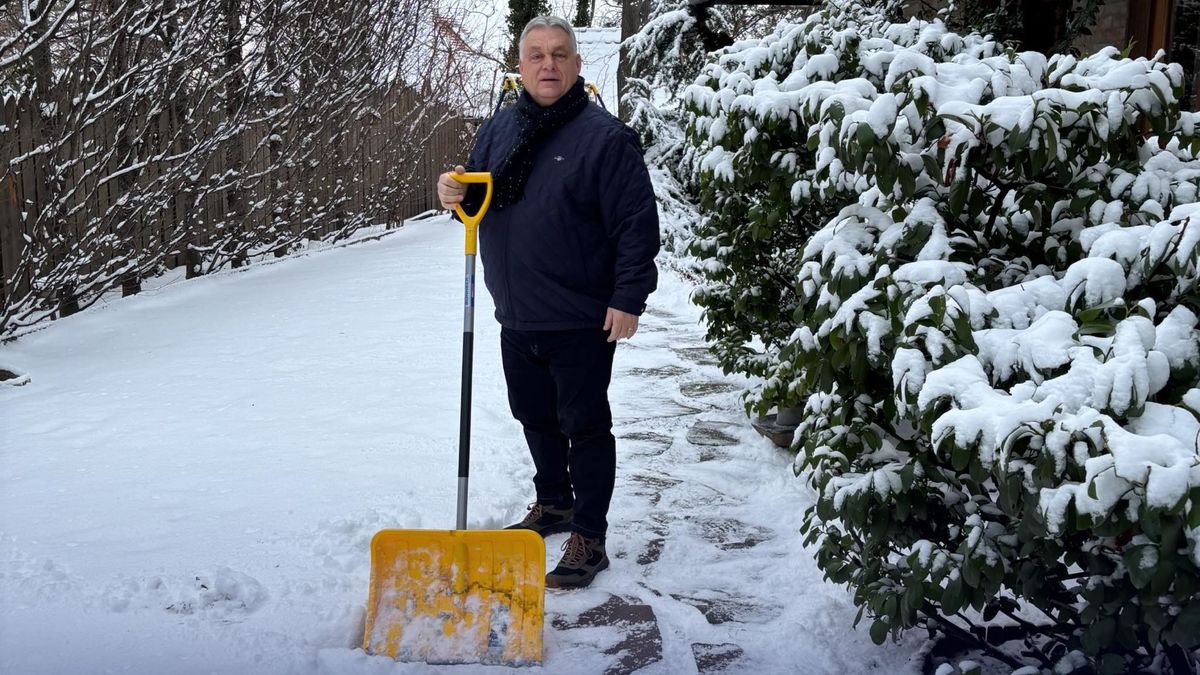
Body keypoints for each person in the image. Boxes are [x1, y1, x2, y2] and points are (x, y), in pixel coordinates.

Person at [435, 15, 659, 589]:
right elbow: (478, 198)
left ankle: (590, 535)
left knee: (584, 425)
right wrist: (453, 193)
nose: (548, 65)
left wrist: (628, 297)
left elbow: (636, 224)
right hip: (516, 310)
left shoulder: (605, 138)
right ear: (521, 65)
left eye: (560, 54)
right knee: (533, 415)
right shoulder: (500, 128)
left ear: (577, 65)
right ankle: (555, 502)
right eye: (536, 54)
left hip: (581, 314)